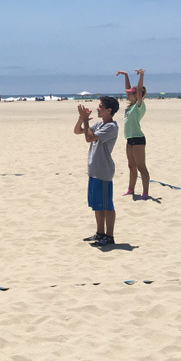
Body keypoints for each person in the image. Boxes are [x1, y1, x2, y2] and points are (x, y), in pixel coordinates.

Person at [74, 96, 120, 247]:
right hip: (94, 170)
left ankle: (109, 236)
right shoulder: (100, 124)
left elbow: (89, 138)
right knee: (97, 205)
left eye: (101, 106)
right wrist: (81, 118)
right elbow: (77, 131)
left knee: (107, 205)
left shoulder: (111, 127)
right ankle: (100, 233)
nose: (98, 108)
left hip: (103, 170)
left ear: (109, 110)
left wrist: (86, 120)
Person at [117, 69, 150, 200]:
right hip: (129, 139)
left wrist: (141, 75)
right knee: (131, 166)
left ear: (137, 95)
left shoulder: (139, 106)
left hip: (138, 139)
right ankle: (131, 189)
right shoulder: (130, 107)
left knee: (141, 167)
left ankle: (145, 193)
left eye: (130, 93)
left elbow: (139, 90)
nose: (127, 95)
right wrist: (125, 76)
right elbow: (129, 88)